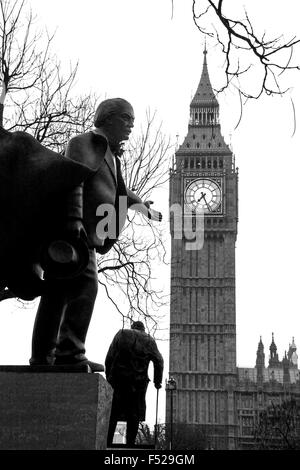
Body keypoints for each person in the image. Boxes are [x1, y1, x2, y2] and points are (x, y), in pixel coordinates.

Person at [29, 98, 162, 370]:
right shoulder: (84, 143)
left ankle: (46, 355)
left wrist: (142, 208)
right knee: (83, 288)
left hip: (88, 233)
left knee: (58, 293)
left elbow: (122, 192)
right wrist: (73, 219)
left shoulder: (111, 157)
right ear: (108, 118)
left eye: (132, 122)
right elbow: (72, 177)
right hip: (74, 231)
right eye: (126, 119)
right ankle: (68, 352)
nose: (130, 127)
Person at [105, 321, 164, 447]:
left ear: (132, 327)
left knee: (113, 412)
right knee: (134, 413)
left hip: (118, 379)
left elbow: (109, 357)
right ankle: (130, 445)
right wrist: (157, 381)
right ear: (143, 329)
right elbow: (159, 361)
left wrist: (109, 377)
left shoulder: (121, 333)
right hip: (138, 382)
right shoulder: (149, 340)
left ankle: (107, 443)